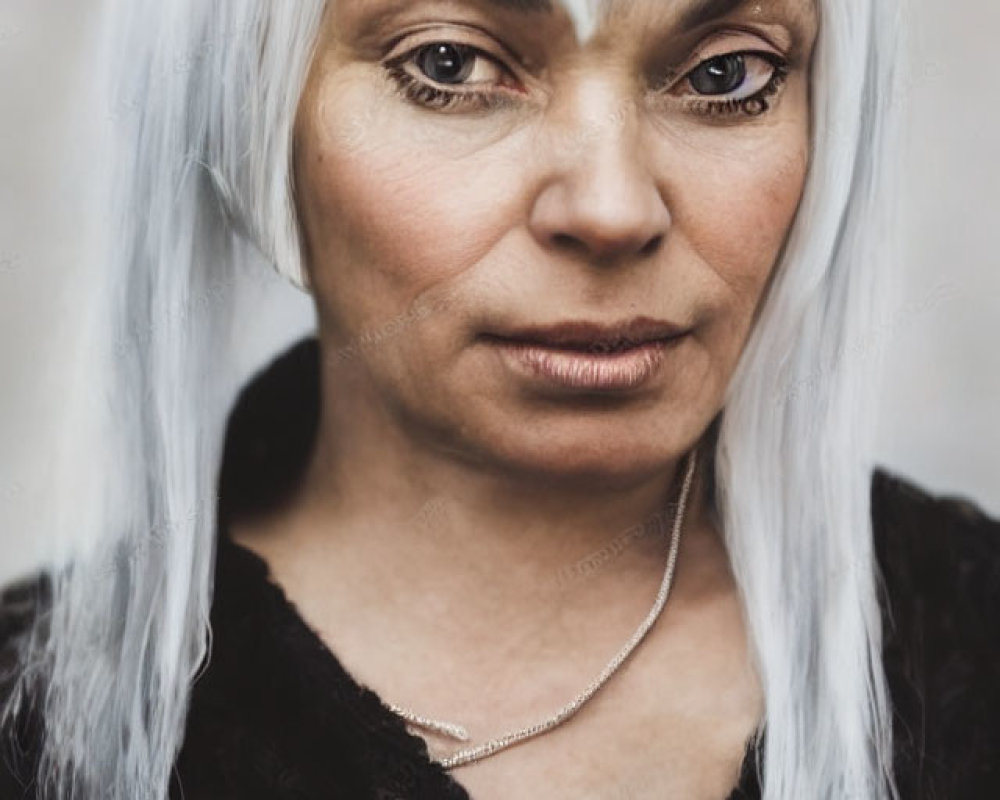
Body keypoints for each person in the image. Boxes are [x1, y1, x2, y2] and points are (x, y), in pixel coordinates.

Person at [1, 0, 997, 798]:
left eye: (725, 74)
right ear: (248, 104)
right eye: (450, 65)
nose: (611, 207)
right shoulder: (28, 730)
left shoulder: (971, 642)